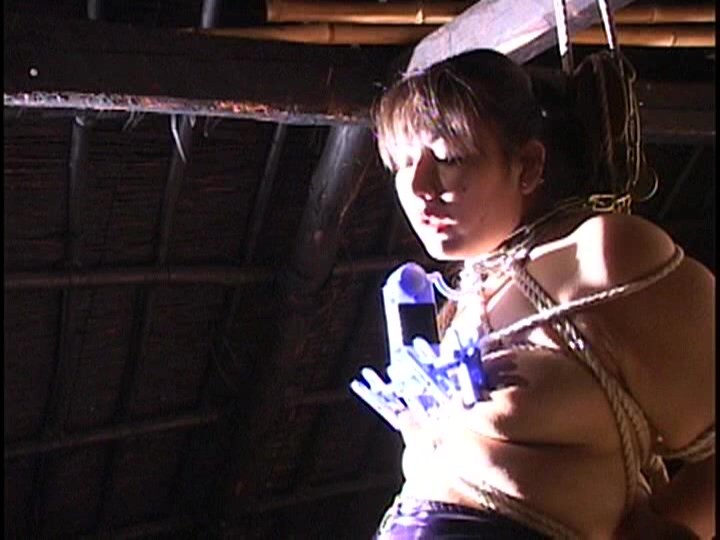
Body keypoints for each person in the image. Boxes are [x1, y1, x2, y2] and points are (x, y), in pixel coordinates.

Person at [364, 49, 715, 538]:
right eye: (402, 164)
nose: (419, 186)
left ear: (527, 165)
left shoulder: (603, 258)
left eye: (448, 158)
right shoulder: (466, 300)